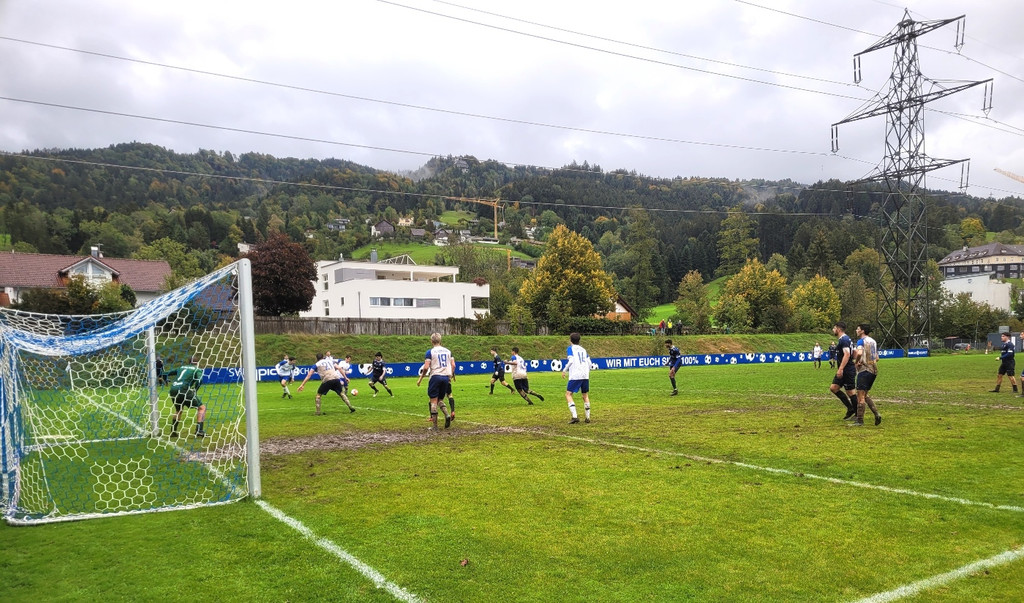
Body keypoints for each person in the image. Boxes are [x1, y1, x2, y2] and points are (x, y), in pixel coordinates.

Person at [417, 333, 454, 429]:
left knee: (433, 401)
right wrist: (450, 376)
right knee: (440, 400)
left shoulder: (430, 352)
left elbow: (426, 367)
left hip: (435, 377)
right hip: (445, 377)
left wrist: (421, 378)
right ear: (440, 340)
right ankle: (447, 415)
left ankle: (435, 426)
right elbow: (453, 365)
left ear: (431, 341)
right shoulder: (448, 351)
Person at [167, 354, 206, 438]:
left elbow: (168, 373)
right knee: (202, 408)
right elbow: (200, 380)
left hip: (173, 389)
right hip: (184, 390)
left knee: (179, 410)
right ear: (197, 362)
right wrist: (195, 390)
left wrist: (159, 373)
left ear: (188, 362)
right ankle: (199, 430)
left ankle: (173, 431)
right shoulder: (197, 369)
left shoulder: (181, 368)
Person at [851, 324, 882, 426]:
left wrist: (857, 362)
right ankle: (876, 414)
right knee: (865, 394)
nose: (856, 330)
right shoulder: (873, 341)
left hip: (864, 370)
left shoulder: (861, 341)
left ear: (862, 331)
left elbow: (859, 353)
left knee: (860, 396)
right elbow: (877, 358)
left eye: (858, 329)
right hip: (873, 370)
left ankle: (860, 420)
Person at [829, 322, 858, 421]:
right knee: (834, 388)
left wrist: (841, 369)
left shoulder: (844, 340)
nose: (833, 330)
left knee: (850, 392)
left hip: (846, 370)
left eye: (834, 328)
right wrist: (855, 361)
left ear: (838, 329)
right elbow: (854, 353)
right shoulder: (846, 339)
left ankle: (857, 414)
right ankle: (850, 408)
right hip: (845, 368)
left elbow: (847, 354)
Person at [561, 332, 591, 424]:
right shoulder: (583, 349)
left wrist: (564, 370)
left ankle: (575, 416)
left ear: (570, 340)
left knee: (568, 394)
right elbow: (589, 363)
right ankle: (587, 417)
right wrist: (587, 371)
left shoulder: (570, 348)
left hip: (576, 375)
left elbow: (571, 360)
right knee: (585, 395)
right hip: (585, 375)